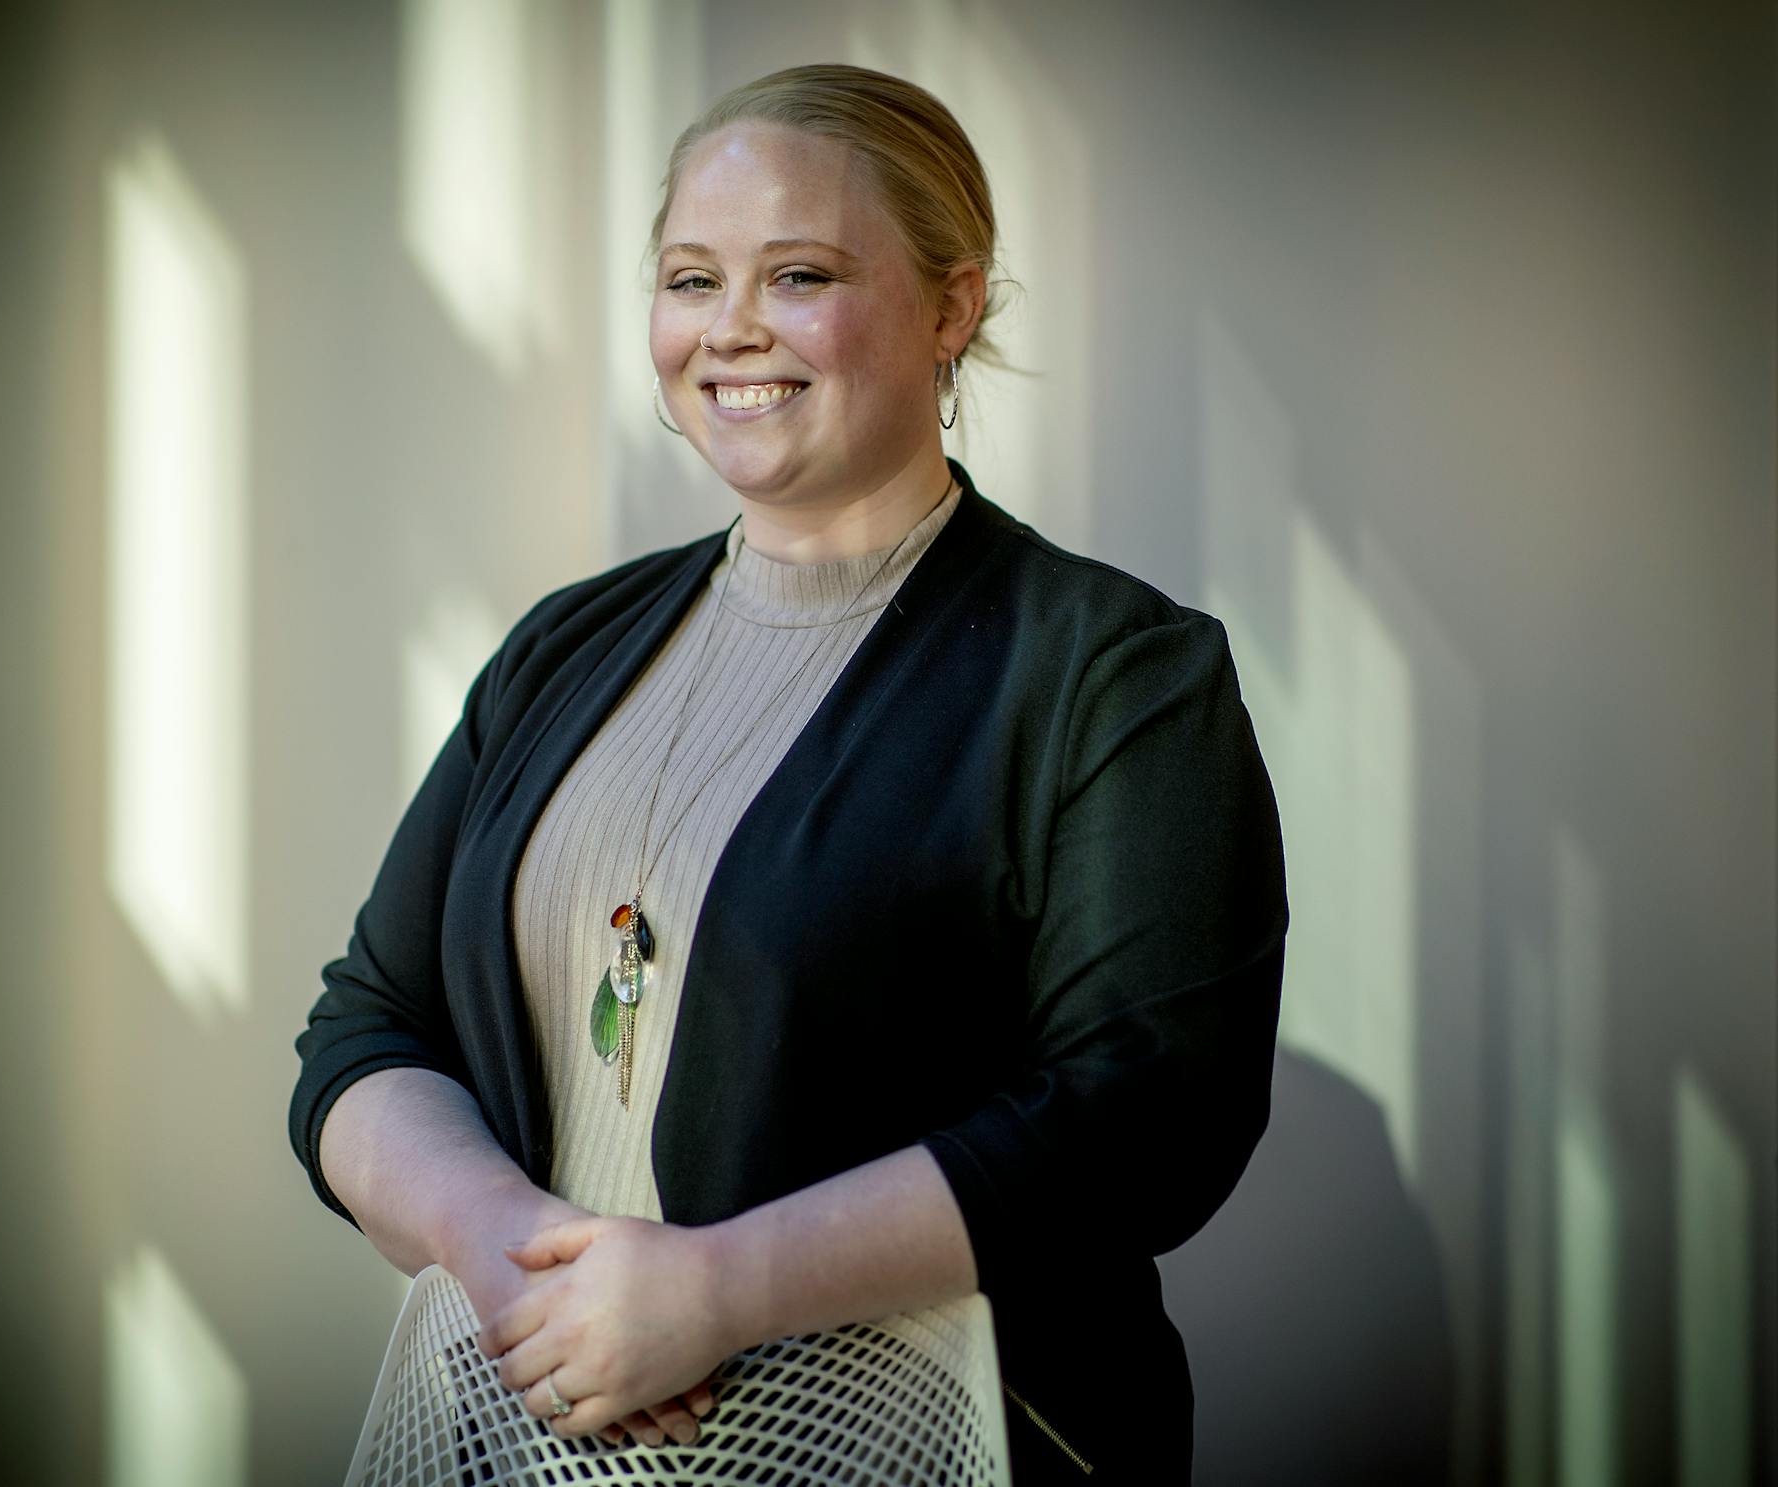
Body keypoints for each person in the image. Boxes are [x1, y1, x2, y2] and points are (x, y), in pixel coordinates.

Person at [290, 63, 1288, 1482]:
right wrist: (510, 1262)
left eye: (800, 273)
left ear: (954, 306)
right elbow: (367, 1030)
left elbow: (1147, 1117)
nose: (731, 330)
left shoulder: (1110, 670)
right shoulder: (565, 647)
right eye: (691, 279)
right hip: (531, 1449)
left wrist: (716, 1294)